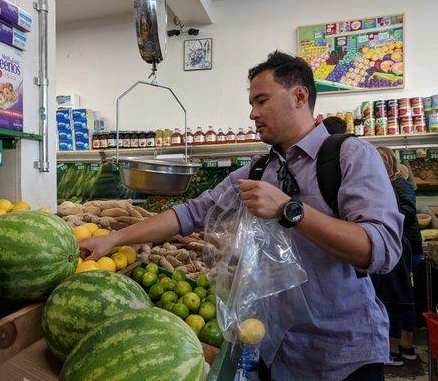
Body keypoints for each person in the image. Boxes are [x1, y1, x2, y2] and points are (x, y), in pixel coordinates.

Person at [80, 51, 403, 380]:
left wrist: (289, 210)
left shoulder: (350, 156)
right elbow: (192, 212)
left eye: (262, 101)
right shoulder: (261, 169)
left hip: (342, 356)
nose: (253, 113)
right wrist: (113, 239)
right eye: (251, 103)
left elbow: (380, 250)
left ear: (300, 96)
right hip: (276, 351)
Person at [375, 147, 421, 365]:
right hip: (399, 246)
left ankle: (398, 349)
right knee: (399, 296)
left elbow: (408, 213)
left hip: (403, 248)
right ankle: (401, 347)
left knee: (398, 297)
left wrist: (384, 222)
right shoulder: (391, 184)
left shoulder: (398, 185)